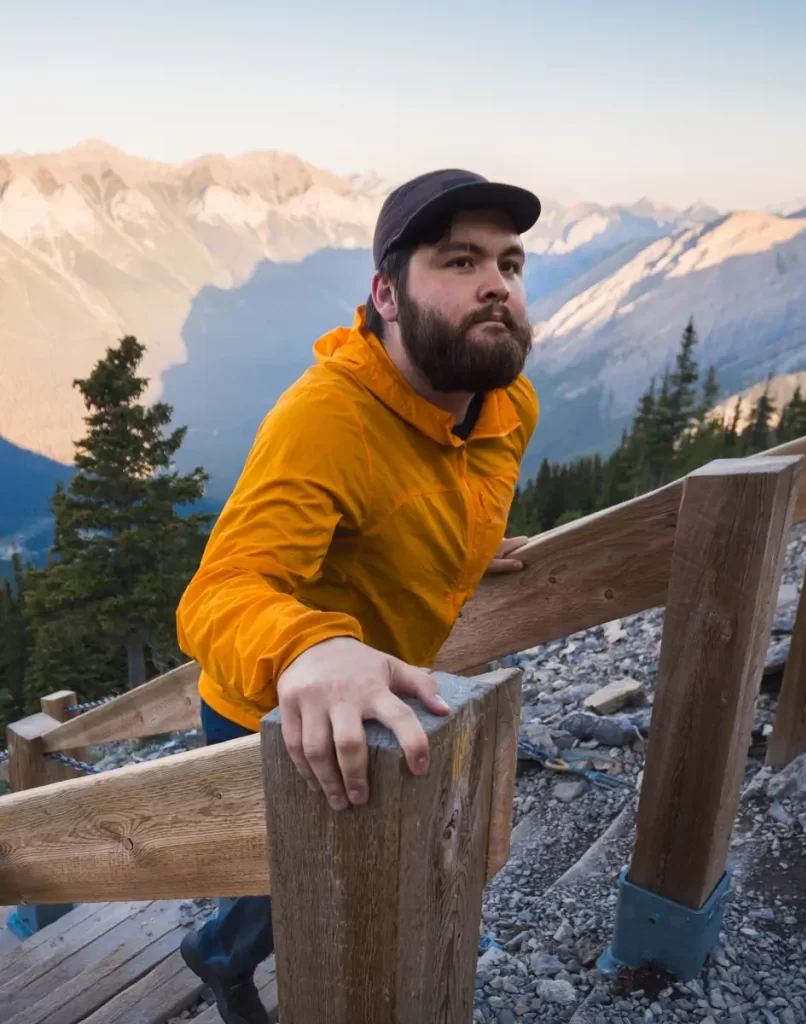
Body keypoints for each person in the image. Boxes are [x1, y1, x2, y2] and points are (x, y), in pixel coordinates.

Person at [175, 167, 541, 1024]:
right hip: (270, 692)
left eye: (510, 264)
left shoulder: (504, 402)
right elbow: (218, 592)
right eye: (458, 262)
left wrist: (468, 548)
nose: (495, 285)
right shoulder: (327, 420)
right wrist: (309, 645)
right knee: (288, 875)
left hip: (383, 681)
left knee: (367, 846)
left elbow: (436, 491)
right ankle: (217, 954)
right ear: (385, 293)